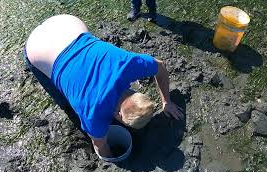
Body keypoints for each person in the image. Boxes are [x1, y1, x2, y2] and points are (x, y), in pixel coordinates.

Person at [24, 14, 182, 158]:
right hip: (35, 48)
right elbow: (100, 146)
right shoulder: (92, 114)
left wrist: (166, 101)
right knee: (63, 99)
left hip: (66, 24)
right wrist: (116, 160)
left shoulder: (128, 66)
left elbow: (160, 67)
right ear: (119, 116)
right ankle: (67, 105)